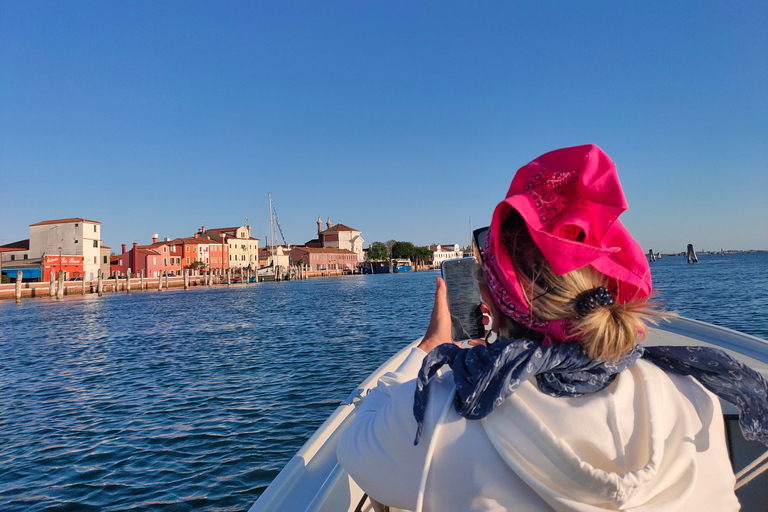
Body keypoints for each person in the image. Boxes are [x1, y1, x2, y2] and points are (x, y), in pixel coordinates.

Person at [337, 144, 765, 511]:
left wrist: (428, 349)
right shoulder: (696, 398)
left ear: (493, 300)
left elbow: (353, 444)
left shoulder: (445, 415)